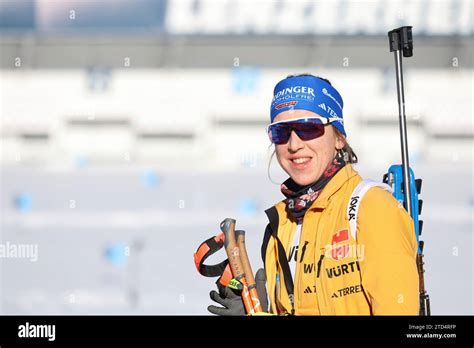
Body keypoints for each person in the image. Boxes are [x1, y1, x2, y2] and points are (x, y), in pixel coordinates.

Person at [208, 74, 419, 316]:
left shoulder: (372, 208)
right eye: (281, 132)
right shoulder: (283, 223)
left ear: (339, 137)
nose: (294, 144)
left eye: (309, 128)